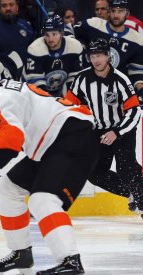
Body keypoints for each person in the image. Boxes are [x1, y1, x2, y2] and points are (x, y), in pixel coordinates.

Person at [0, 56, 98, 274]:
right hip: (56, 141)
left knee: (42, 199)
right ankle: (21, 253)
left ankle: (70, 260)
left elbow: (11, 142)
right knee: (7, 189)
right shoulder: (6, 91)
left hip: (72, 137)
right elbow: (9, 128)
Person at [65, 38, 143, 216]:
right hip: (100, 132)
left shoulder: (121, 80)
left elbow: (134, 111)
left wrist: (117, 131)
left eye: (99, 55)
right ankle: (133, 193)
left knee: (126, 168)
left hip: (122, 129)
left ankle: (141, 198)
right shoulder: (82, 79)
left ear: (108, 56)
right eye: (92, 56)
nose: (96, 60)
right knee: (94, 172)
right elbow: (68, 105)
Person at [73, 0, 143, 99]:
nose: (115, 15)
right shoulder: (93, 24)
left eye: (120, 11)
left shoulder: (137, 40)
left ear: (127, 14)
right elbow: (69, 32)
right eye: (113, 11)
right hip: (86, 85)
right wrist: (79, 45)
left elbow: (136, 72)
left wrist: (140, 89)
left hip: (115, 91)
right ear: (109, 12)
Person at [23, 15, 84, 97]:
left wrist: (69, 100)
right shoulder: (35, 49)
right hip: (29, 92)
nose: (50, 39)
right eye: (47, 35)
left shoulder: (74, 47)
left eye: (54, 34)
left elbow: (74, 79)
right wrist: (50, 102)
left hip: (57, 91)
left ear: (62, 33)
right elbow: (35, 82)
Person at [0, 0, 32, 80]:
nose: (8, 8)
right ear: (0, 9)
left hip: (25, 77)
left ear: (17, 7)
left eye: (11, 5)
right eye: (4, 6)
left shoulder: (26, 26)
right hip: (2, 78)